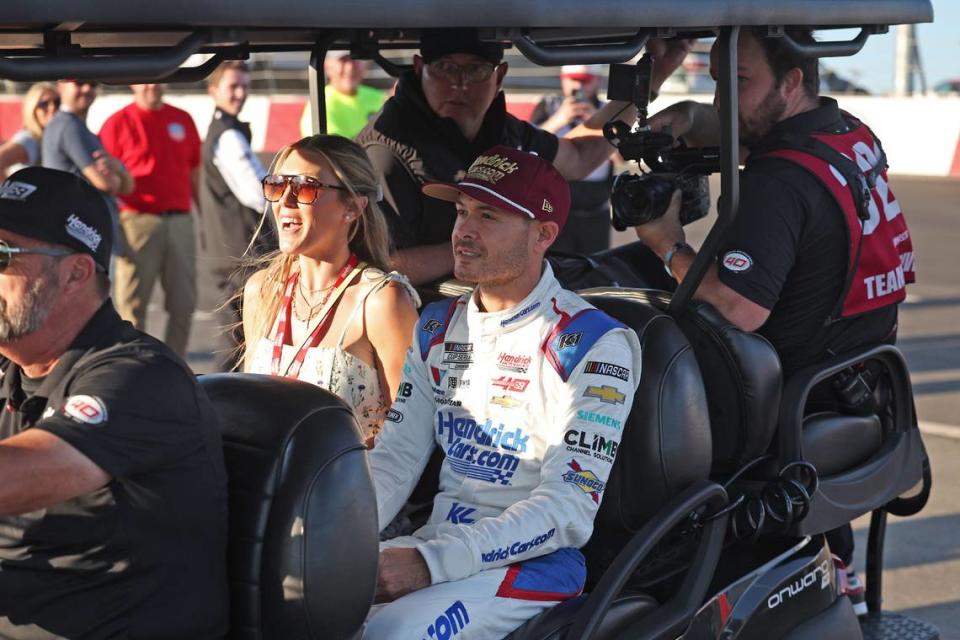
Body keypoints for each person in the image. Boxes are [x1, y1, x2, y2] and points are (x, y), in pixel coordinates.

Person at [633, 27, 915, 615]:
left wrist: (666, 244)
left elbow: (740, 308)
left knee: (631, 379)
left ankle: (639, 589)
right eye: (714, 84)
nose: (719, 102)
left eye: (735, 83)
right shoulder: (845, 134)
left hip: (784, 402)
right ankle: (840, 574)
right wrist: (691, 118)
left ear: (791, 82)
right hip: (856, 378)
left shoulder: (778, 181)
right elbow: (756, 128)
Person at [365, 146, 642, 639]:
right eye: (461, 211)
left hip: (536, 564)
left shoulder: (594, 343)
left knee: (393, 635)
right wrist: (332, 535)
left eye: (488, 216)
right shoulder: (437, 327)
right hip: (440, 545)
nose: (463, 231)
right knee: (294, 599)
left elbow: (569, 509)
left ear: (544, 235)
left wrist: (431, 561)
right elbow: (393, 460)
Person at [0, 166, 228, 638]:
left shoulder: (139, 376)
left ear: (75, 273)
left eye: (3, 255)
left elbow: (17, 476)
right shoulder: (14, 371)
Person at [356, 28, 690, 285]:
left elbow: (580, 155)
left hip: (504, 299)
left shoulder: (500, 129)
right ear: (419, 70)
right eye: (444, 68)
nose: (458, 83)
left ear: (499, 76)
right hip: (430, 322)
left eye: (475, 70)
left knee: (639, 271)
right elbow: (375, 270)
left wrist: (656, 73)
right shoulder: (387, 152)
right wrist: (483, 248)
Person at [242, 135, 420, 443]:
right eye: (277, 185)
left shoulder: (381, 301)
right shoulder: (262, 291)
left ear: (352, 207)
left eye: (305, 187)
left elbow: (408, 433)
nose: (286, 200)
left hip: (348, 487)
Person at [99, 83, 202, 358]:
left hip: (180, 221)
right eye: (145, 80)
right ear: (133, 84)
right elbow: (103, 178)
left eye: (158, 79)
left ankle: (175, 365)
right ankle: (134, 367)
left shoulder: (183, 119)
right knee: (132, 308)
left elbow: (195, 171)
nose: (152, 86)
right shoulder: (118, 123)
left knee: (184, 305)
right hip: (136, 222)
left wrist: (200, 218)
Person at [200, 60, 273, 371]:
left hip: (233, 254)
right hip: (240, 257)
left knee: (240, 344)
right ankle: (224, 415)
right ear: (213, 90)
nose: (239, 93)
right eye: (232, 86)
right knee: (239, 347)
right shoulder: (227, 136)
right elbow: (260, 194)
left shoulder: (226, 132)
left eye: (244, 86)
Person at [531, 64, 615, 254]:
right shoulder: (549, 105)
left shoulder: (606, 110)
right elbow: (528, 147)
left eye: (585, 81)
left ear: (597, 81)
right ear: (562, 79)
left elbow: (620, 157)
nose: (578, 86)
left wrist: (597, 122)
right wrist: (560, 118)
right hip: (553, 204)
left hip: (595, 207)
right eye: (573, 79)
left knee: (596, 266)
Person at [42, 79, 134, 201]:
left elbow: (127, 187)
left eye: (93, 84)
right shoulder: (69, 125)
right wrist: (119, 172)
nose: (87, 89)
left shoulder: (74, 125)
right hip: (79, 216)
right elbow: (108, 184)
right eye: (79, 83)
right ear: (61, 86)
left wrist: (117, 169)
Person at [299, 50, 387, 139]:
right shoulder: (320, 103)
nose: (350, 67)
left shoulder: (379, 97)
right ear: (327, 66)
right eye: (343, 60)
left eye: (355, 60)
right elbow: (333, 148)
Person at [0, 83, 59, 178]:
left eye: (57, 102)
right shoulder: (29, 139)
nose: (52, 108)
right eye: (44, 104)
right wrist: (6, 191)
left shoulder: (46, 137)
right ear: (32, 108)